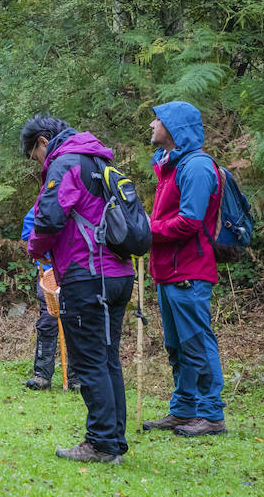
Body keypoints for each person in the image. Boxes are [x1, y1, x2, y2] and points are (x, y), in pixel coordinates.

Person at [22, 114, 135, 463]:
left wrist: (34, 249)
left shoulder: (66, 163)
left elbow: (49, 218)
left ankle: (100, 443)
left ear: (43, 141)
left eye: (34, 156)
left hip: (88, 274)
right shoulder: (99, 161)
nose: (37, 164)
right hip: (118, 271)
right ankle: (113, 439)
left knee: (88, 361)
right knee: (108, 358)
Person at [142, 101, 226, 438]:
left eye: (158, 120)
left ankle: (211, 414)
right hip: (169, 271)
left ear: (175, 128)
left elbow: (190, 221)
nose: (152, 125)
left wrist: (148, 231)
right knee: (176, 346)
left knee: (197, 342)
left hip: (190, 271)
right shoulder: (171, 166)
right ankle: (184, 409)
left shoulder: (197, 167)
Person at [19, 207, 79, 392]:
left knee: (77, 321)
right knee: (47, 320)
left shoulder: (81, 196)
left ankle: (77, 377)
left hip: (77, 269)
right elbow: (29, 231)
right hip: (48, 271)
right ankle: (42, 375)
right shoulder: (45, 201)